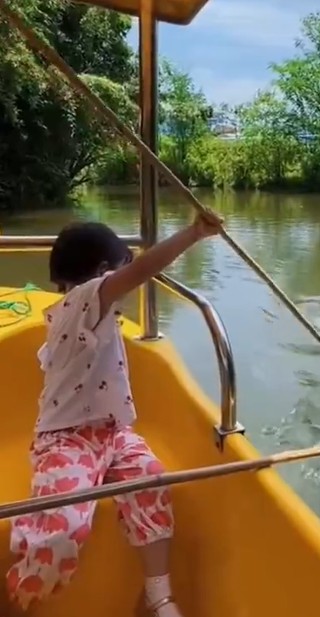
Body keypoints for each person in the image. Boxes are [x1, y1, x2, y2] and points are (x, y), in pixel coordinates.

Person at [6, 212, 222, 616]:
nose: (127, 284)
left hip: (111, 433)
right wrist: (193, 233)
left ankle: (160, 594)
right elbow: (143, 269)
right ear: (102, 275)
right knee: (62, 529)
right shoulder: (83, 303)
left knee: (151, 480)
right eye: (119, 273)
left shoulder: (93, 312)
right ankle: (18, 596)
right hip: (64, 440)